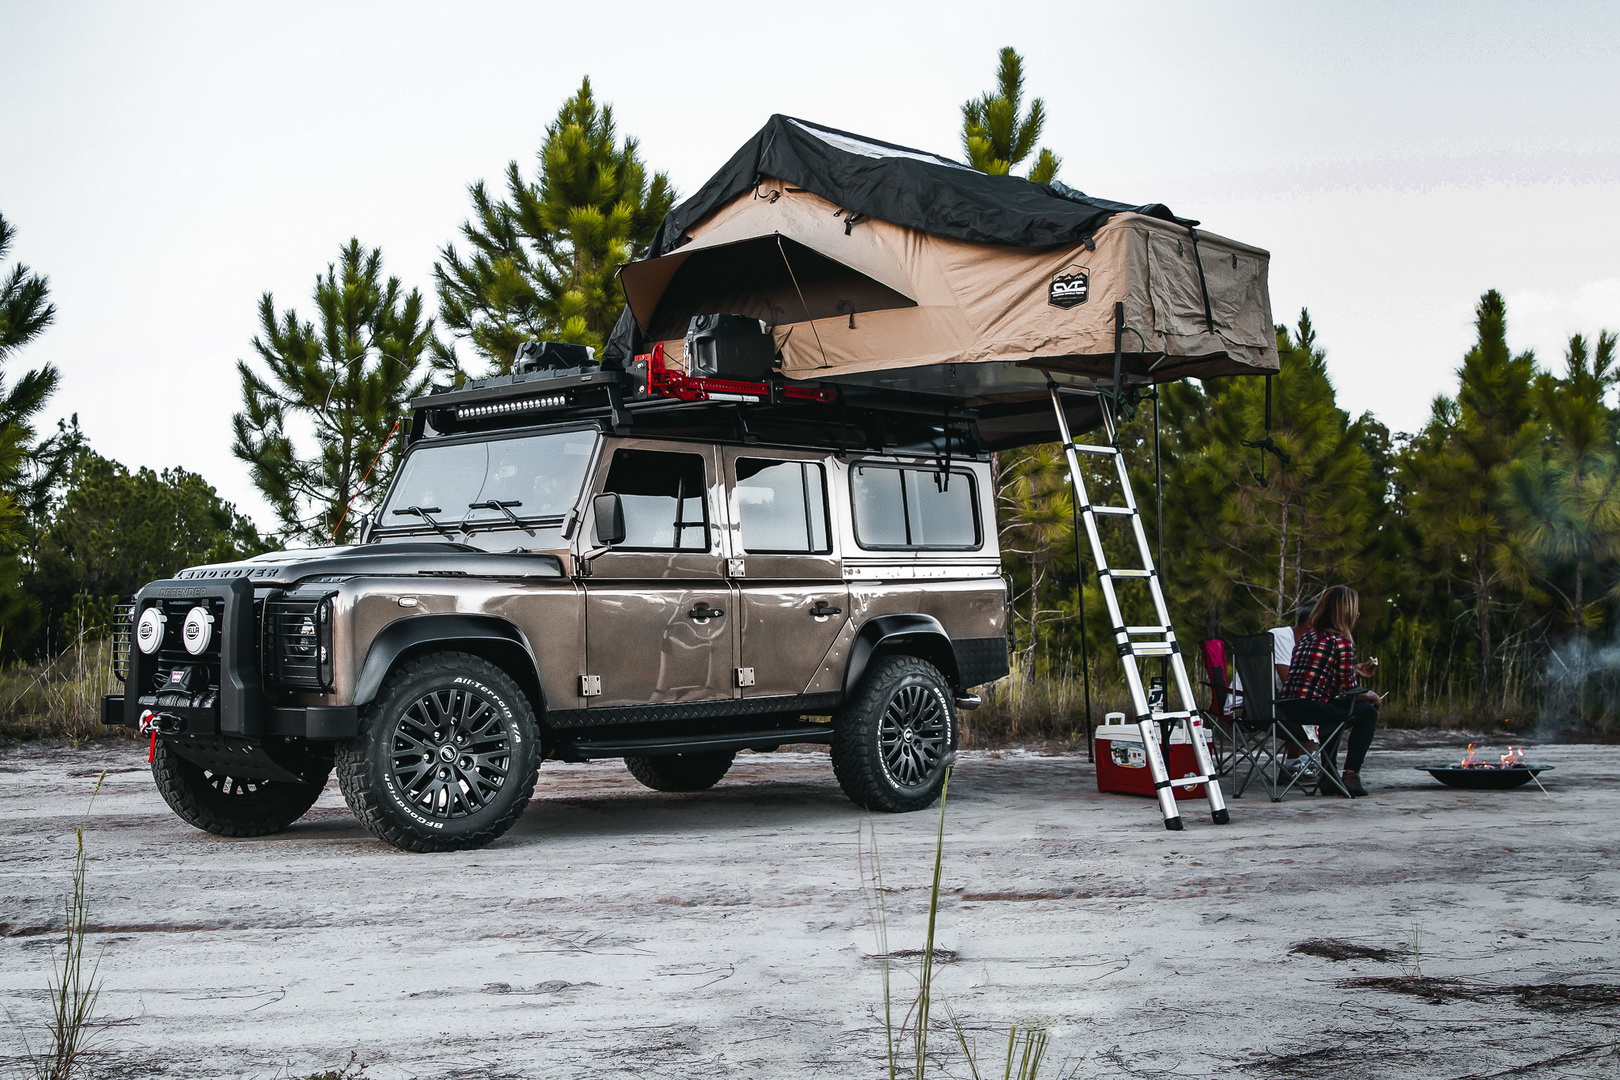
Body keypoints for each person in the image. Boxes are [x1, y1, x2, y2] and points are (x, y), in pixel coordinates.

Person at [1278, 585, 1381, 797]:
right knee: (1367, 711)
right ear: (1348, 612)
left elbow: (1320, 676)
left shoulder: (1307, 637)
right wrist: (1371, 695)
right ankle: (1351, 775)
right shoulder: (1341, 642)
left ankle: (1329, 775)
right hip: (1311, 707)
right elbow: (1351, 690)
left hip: (1286, 708)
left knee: (1335, 712)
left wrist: (1353, 671)